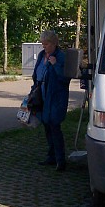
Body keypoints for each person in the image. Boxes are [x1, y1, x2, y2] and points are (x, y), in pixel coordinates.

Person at [31, 29, 71, 172]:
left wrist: (55, 65)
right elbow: (36, 74)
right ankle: (51, 156)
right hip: (42, 95)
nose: (44, 46)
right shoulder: (42, 55)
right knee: (47, 125)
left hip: (56, 97)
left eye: (46, 44)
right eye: (43, 44)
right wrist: (33, 91)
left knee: (54, 126)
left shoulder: (60, 57)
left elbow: (65, 79)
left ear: (54, 43)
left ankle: (60, 160)